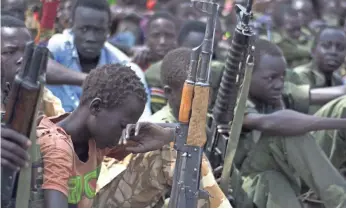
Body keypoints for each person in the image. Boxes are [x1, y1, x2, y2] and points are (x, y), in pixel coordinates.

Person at [94, 48, 231, 208]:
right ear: (168, 93)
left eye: (206, 91)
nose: (202, 99)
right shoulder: (159, 132)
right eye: (193, 93)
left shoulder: (205, 121)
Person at [37, 64, 176, 208]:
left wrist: (169, 134)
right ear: (96, 107)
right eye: (123, 126)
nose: (125, 134)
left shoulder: (96, 138)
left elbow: (181, 132)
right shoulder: (57, 145)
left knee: (167, 150)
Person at [230, 39, 346, 208]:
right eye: (271, 78)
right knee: (288, 132)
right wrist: (340, 124)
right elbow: (269, 123)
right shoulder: (234, 100)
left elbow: (329, 93)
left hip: (286, 173)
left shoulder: (269, 90)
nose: (279, 84)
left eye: (282, 76)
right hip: (248, 186)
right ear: (245, 75)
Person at [46, 0, 151, 118]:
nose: (91, 37)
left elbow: (143, 120)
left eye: (98, 31)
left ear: (108, 30)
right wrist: (93, 80)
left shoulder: (121, 63)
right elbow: (42, 67)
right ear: (72, 26)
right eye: (84, 29)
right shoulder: (59, 46)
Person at [145, 20, 224, 113]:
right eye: (192, 53)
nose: (197, 60)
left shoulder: (219, 73)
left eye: (203, 54)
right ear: (178, 46)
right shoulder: (156, 74)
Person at [1, 15, 65, 117]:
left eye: (28, 51)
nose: (23, 58)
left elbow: (59, 125)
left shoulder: (43, 97)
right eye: (10, 52)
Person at [293, 26, 346, 114]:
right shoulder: (298, 75)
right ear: (313, 50)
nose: (333, 52)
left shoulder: (337, 80)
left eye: (340, 48)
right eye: (326, 46)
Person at [269, 3, 312, 69]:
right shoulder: (275, 42)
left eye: (298, 28)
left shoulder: (308, 35)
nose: (297, 33)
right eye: (292, 30)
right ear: (279, 28)